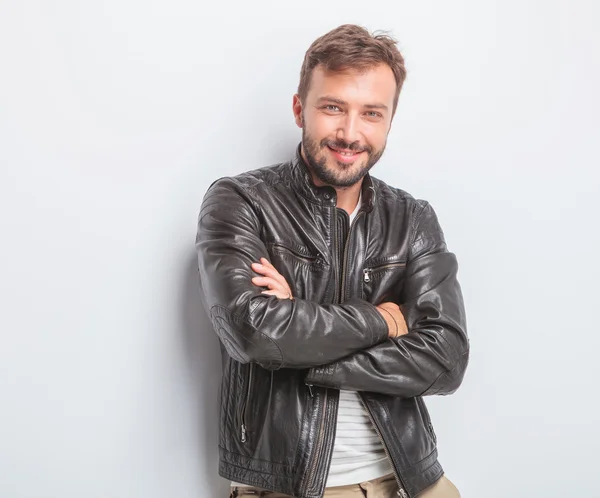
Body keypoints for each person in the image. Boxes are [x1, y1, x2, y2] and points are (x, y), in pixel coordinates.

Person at [195, 24, 469, 498]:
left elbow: (446, 358)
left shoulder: (413, 218)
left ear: (389, 121)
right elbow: (253, 332)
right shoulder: (241, 201)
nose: (350, 132)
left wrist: (302, 337)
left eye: (371, 114)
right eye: (333, 107)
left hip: (416, 481)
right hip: (290, 487)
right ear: (300, 108)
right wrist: (387, 320)